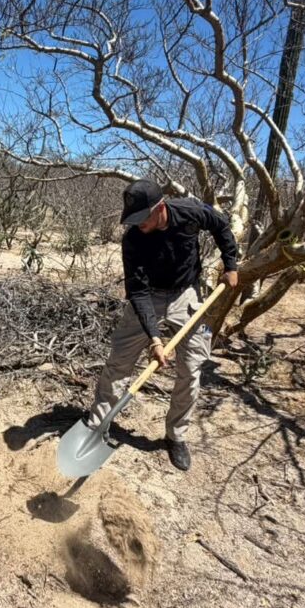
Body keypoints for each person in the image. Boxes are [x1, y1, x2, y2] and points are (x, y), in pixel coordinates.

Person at [87, 179, 239, 472]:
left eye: (142, 218)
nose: (137, 224)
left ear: (160, 209)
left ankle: (176, 437)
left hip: (186, 294)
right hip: (149, 297)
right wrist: (155, 340)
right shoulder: (133, 239)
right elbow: (138, 292)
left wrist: (230, 264)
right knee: (118, 362)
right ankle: (98, 424)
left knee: (192, 368)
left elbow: (220, 225)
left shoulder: (190, 212)